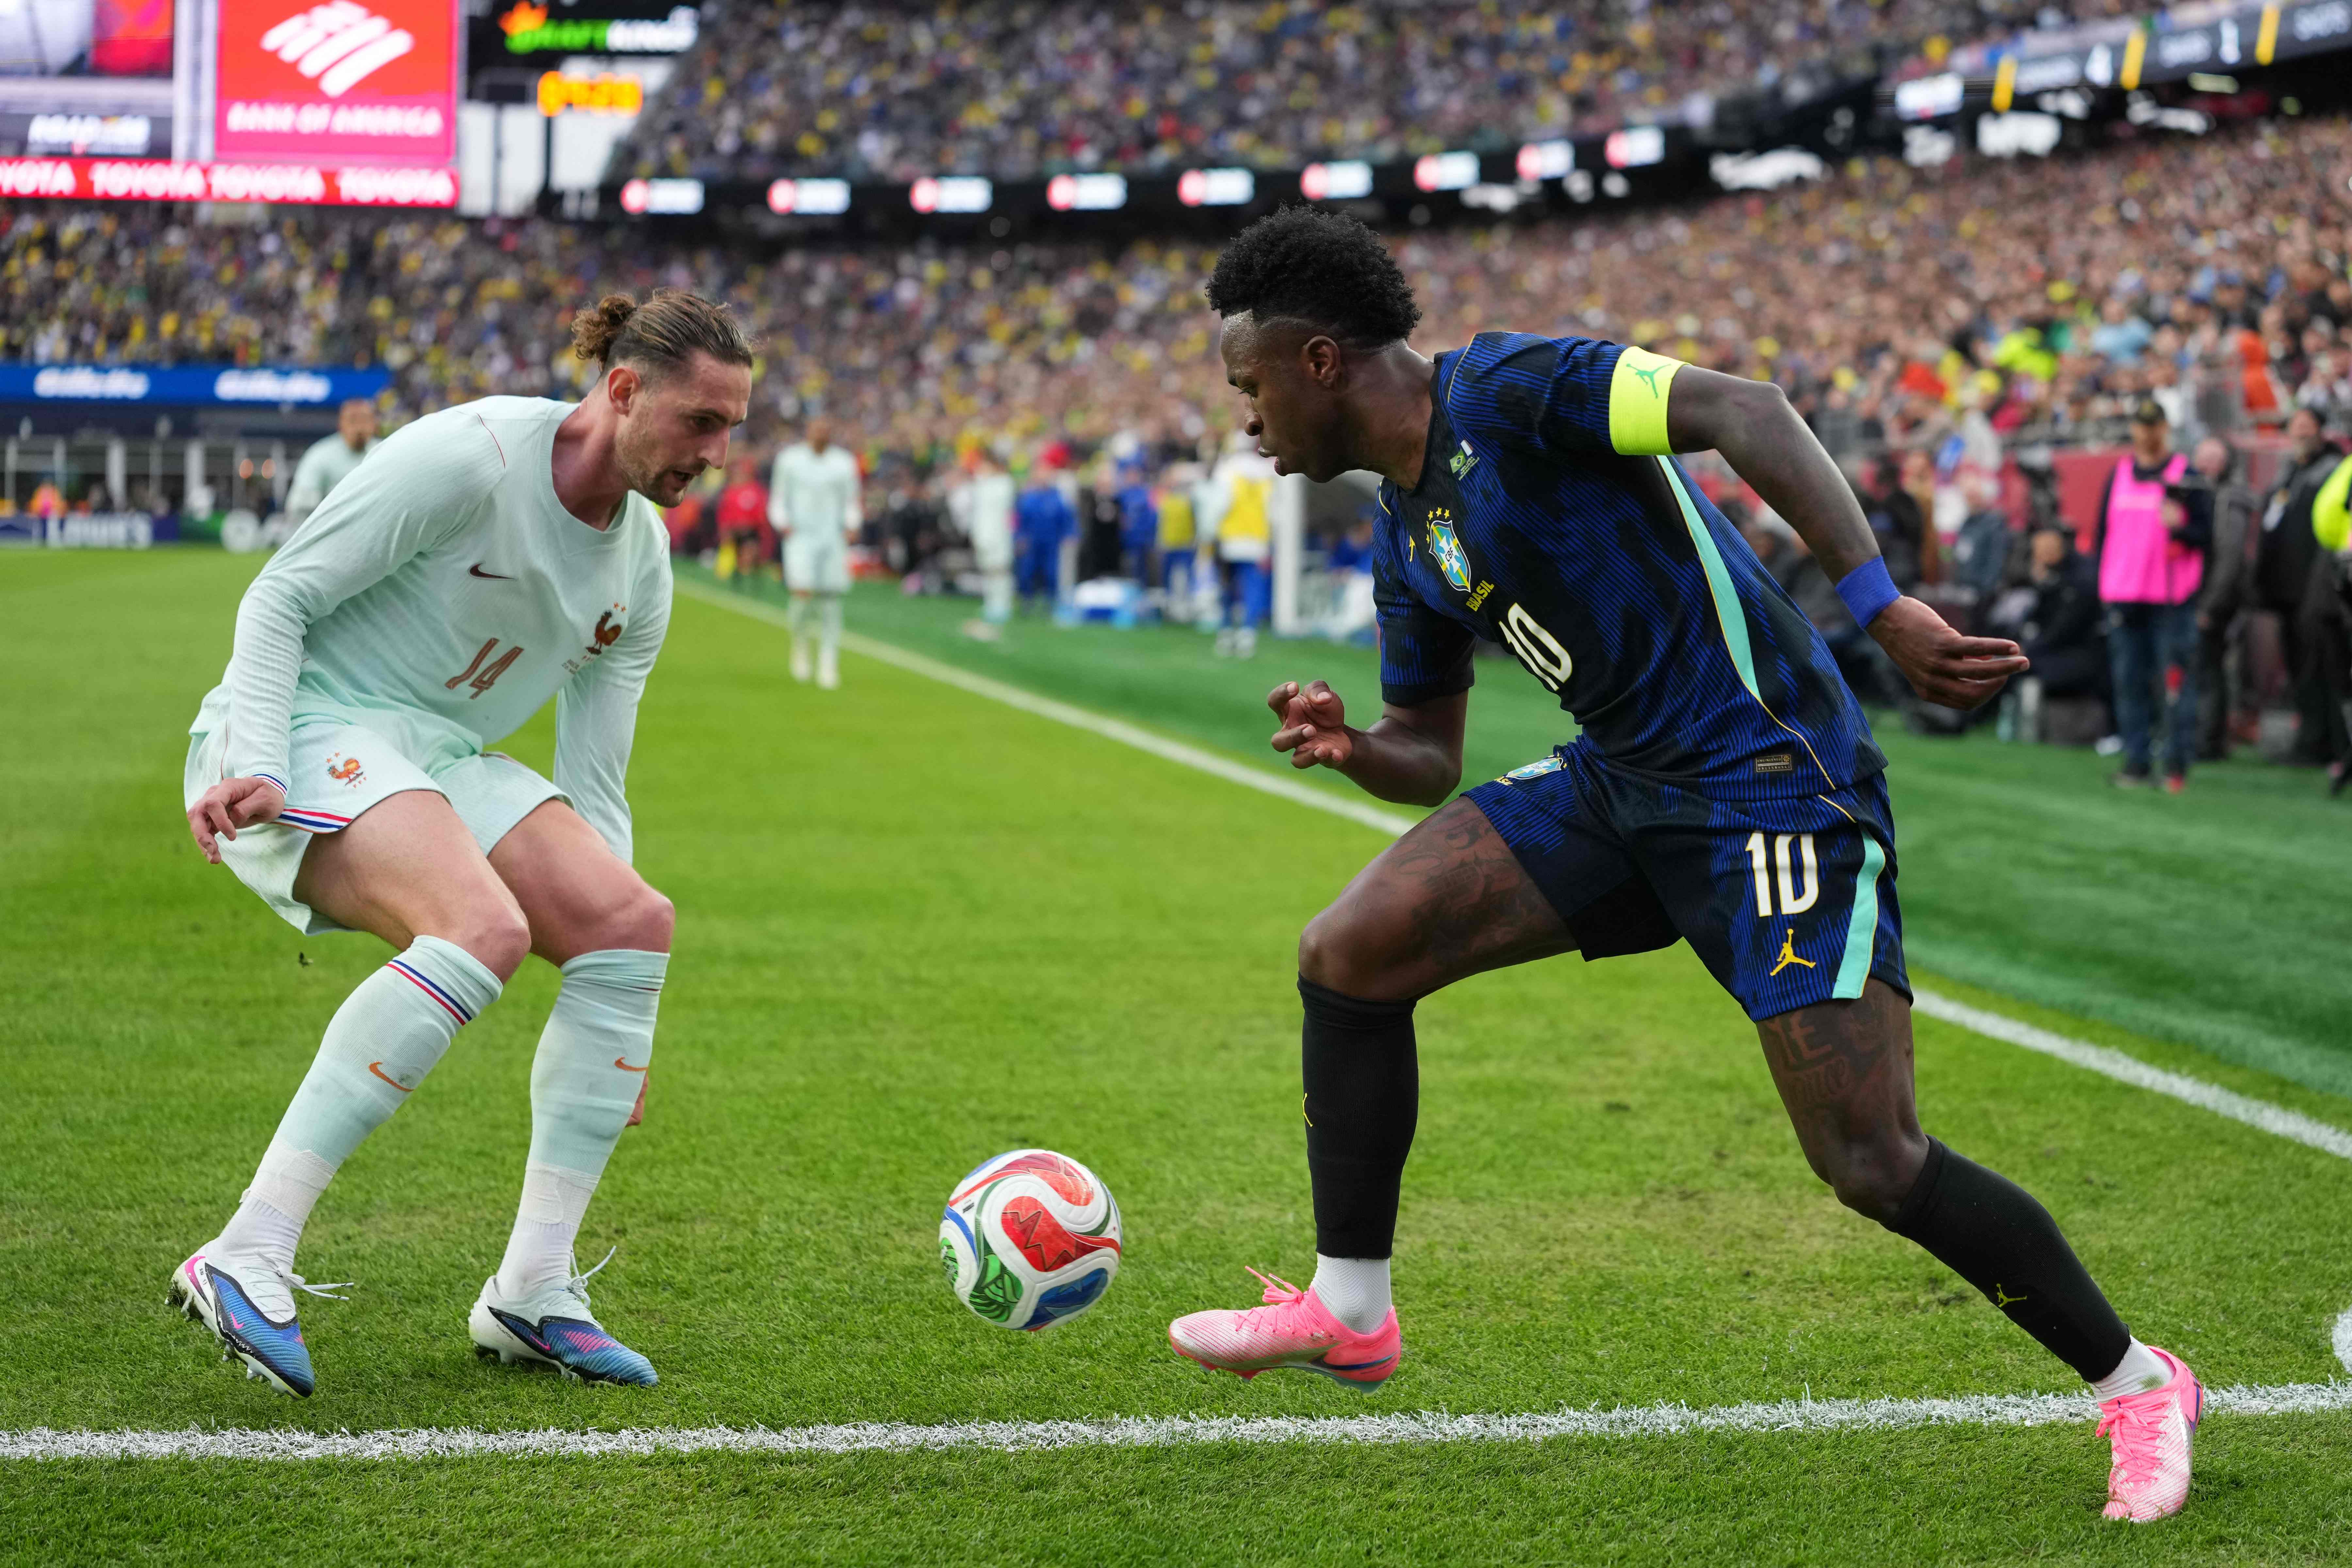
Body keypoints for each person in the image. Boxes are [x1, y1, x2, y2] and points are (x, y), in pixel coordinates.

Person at [1163, 207, 2200, 1525]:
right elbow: (1426, 751)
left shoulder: (1517, 390)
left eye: (1248, 385)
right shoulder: (1404, 533)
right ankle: (1350, 1311)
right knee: (1349, 953)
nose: (1245, 420)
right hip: (1622, 785)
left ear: (1318, 361)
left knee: (1871, 1162)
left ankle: (2138, 1379)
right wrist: (1351, 745)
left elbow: (1745, 408)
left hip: (1770, 784)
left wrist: (1880, 607)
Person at [175, 288, 754, 1397]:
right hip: (303, 726)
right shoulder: (472, 454)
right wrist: (258, 758)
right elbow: (280, 598)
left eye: (732, 429)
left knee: (633, 924)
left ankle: (532, 1294)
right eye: (702, 423)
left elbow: (595, 785)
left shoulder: (642, 564)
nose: (718, 455)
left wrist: (618, 1013)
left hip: (431, 754)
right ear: (622, 391)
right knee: (480, 927)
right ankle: (245, 1250)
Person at [2093, 399, 2212, 791]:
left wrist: (2182, 529)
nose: (2146, 433)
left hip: (2171, 598)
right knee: (2129, 682)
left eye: (2153, 426)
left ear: (2165, 428)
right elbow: (2102, 536)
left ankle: (2175, 765)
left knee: (2175, 685)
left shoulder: (2185, 476)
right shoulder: (2121, 473)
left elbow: (2207, 536)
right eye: (2140, 426)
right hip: (2124, 596)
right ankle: (2137, 762)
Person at [769, 418, 862, 689]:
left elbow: (851, 500)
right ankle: (800, 646)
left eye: (826, 429)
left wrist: (853, 525)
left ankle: (828, 661)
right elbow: (779, 497)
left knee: (831, 598)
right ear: (808, 432)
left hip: (833, 537)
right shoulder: (790, 460)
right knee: (802, 593)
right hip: (800, 536)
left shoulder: (844, 463)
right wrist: (782, 522)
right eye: (816, 429)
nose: (821, 433)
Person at [2190, 436, 2258, 761]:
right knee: (2207, 668)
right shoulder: (2205, 495)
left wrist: (2210, 605)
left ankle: (2209, 741)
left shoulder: (2229, 499)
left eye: (2213, 458)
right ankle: (2208, 737)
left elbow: (2229, 558)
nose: (2205, 465)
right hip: (2207, 595)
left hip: (2219, 599)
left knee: (2209, 668)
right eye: (2202, 457)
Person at [285, 399, 380, 532]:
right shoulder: (320, 455)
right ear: (341, 424)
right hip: (329, 531)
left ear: (374, 424)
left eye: (365, 420)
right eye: (353, 420)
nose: (359, 428)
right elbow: (299, 507)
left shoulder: (385, 452)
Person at [951, 446, 1018, 628]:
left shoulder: (1004, 484)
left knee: (1000, 570)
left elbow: (1006, 511)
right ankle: (991, 604)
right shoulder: (981, 485)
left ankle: (1003, 605)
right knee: (988, 571)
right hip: (983, 534)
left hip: (999, 535)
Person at [1013, 457, 1074, 614]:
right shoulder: (1028, 497)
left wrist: (1070, 534)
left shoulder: (1058, 497)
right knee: (1027, 572)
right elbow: (1019, 520)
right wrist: (1019, 537)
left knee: (1051, 573)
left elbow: (1067, 519)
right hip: (1031, 541)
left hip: (1051, 541)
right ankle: (1027, 601)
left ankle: (1051, 603)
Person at [713, 457, 772, 582]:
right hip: (734, 532)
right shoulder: (731, 491)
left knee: (749, 556)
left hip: (751, 532)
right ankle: (736, 581)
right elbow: (724, 513)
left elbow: (761, 514)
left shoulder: (757, 491)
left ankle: (751, 582)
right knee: (731, 562)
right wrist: (725, 529)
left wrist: (762, 531)